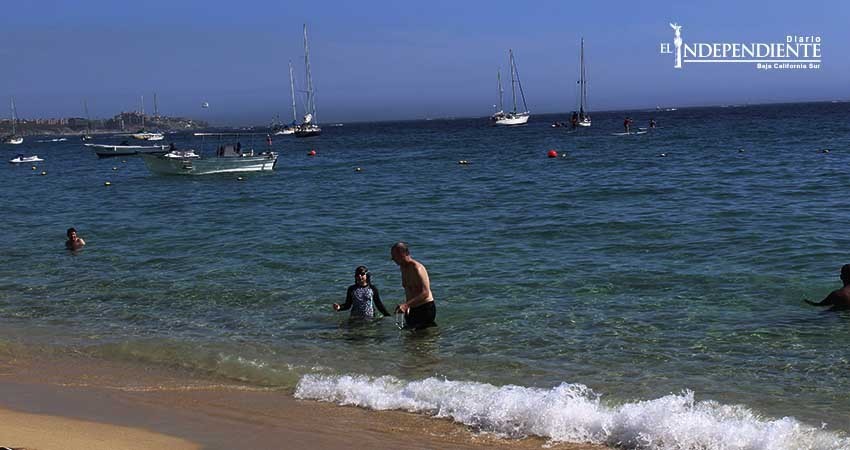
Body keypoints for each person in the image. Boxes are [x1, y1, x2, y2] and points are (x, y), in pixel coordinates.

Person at [391, 242, 436, 330]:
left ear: (403, 254)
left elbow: (425, 293)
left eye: (394, 256)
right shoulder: (402, 268)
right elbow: (408, 290)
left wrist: (406, 305)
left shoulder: (417, 268)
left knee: (420, 337)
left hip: (426, 308)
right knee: (411, 338)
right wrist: (408, 307)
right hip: (412, 308)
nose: (393, 259)